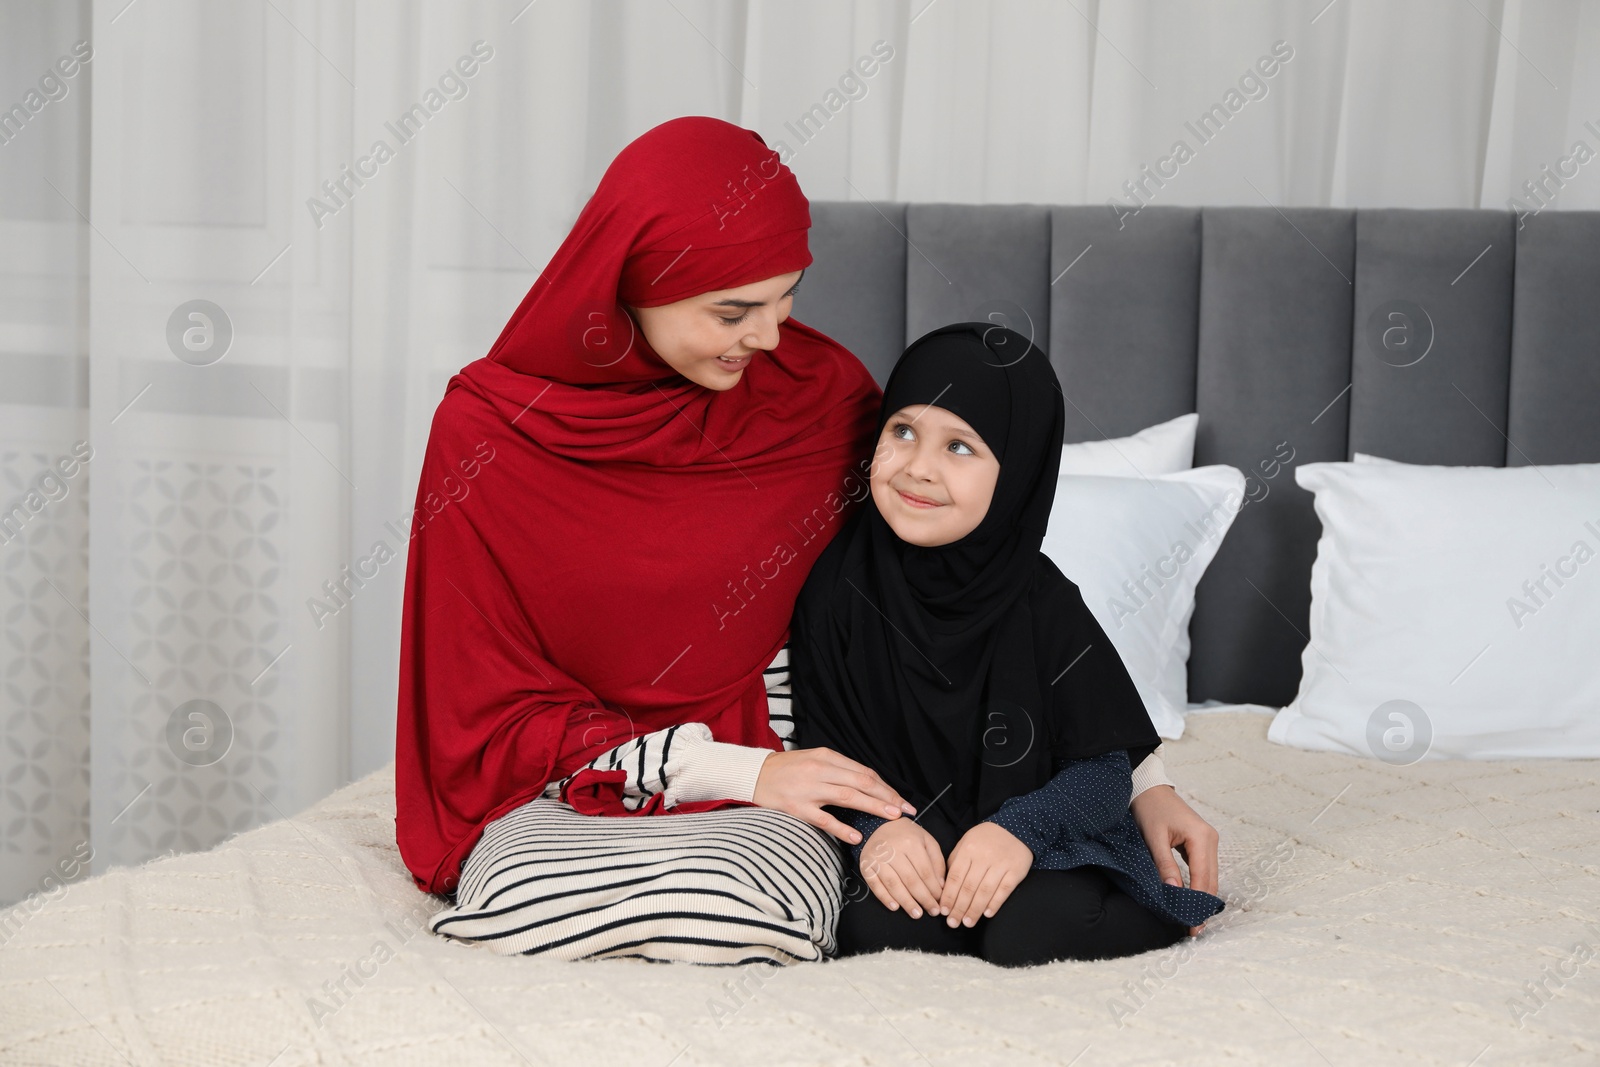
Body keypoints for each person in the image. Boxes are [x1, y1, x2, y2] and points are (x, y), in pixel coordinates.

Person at [397, 115, 1219, 966]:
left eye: (787, 299)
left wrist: (1141, 785)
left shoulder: (818, 400)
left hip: (787, 779)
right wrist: (732, 773)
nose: (768, 337)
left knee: (770, 908)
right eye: (733, 310)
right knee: (530, 896)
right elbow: (477, 701)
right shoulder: (487, 437)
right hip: (584, 780)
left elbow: (968, 591)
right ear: (626, 280)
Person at [789, 322, 1226, 967]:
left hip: (1044, 833)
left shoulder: (1041, 602)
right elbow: (826, 755)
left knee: (1032, 929)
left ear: (1016, 474)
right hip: (912, 841)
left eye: (960, 447)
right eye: (902, 430)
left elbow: (1103, 767)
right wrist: (879, 835)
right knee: (876, 928)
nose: (918, 467)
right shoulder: (835, 591)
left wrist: (1017, 832)